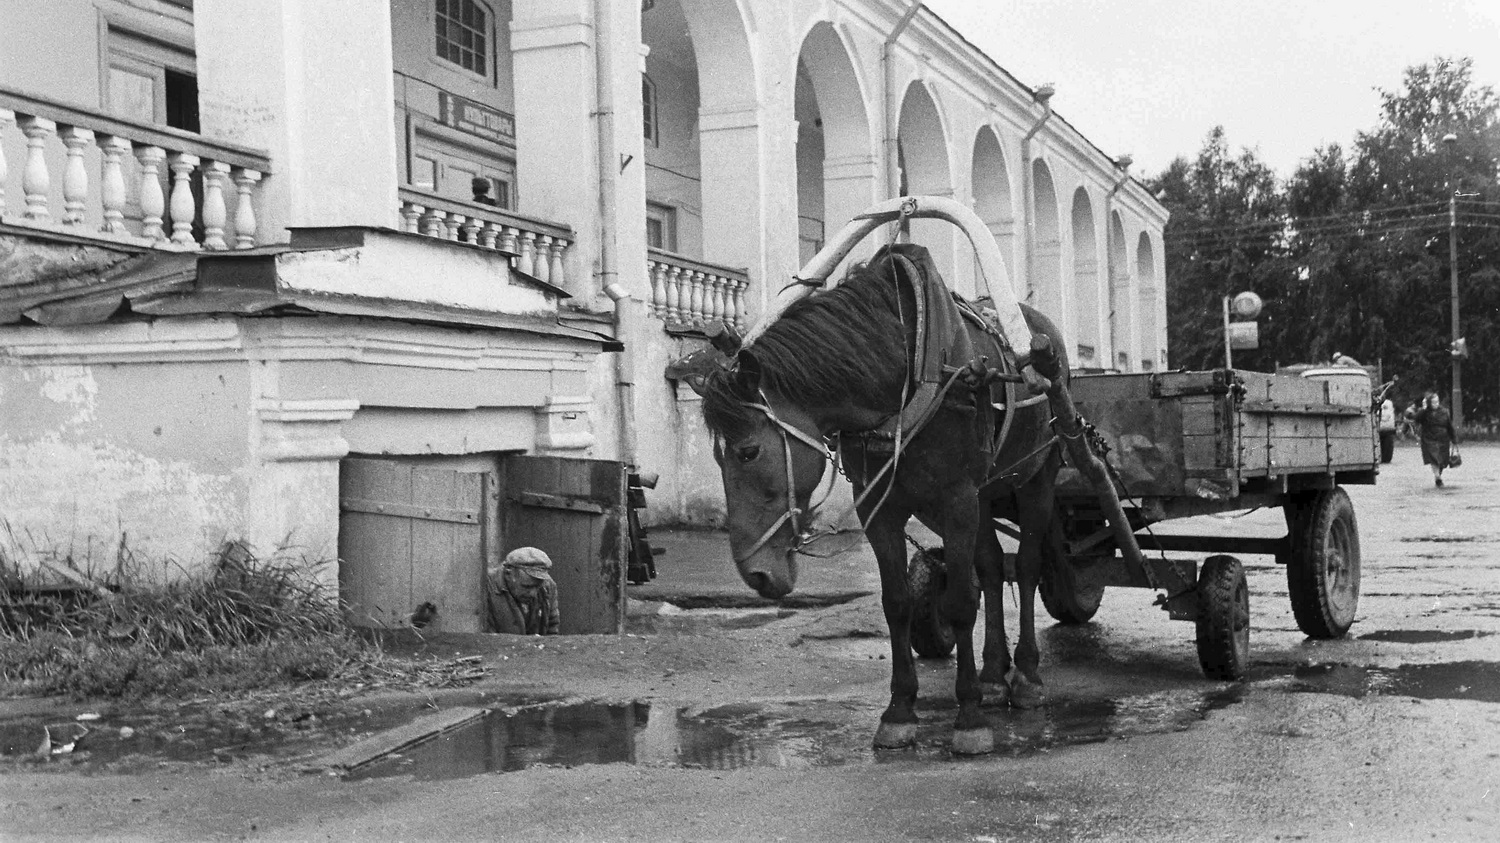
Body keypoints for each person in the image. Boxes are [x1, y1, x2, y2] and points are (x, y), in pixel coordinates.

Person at [485, 547, 560, 634]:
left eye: (537, 587)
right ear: (508, 573)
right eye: (526, 587)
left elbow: (552, 629)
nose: (533, 593)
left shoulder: (548, 586)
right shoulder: (486, 586)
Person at [1407, 392, 1459, 487]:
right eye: (1433, 402)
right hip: (1429, 439)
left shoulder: (1444, 411)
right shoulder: (1424, 412)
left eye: (1437, 402)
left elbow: (1449, 426)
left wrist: (1454, 439)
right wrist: (1423, 408)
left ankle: (1438, 473)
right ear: (1429, 403)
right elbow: (1416, 419)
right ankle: (1437, 477)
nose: (1436, 404)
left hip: (1443, 439)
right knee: (1434, 458)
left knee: (1443, 461)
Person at [1378, 395, 1397, 464]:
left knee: (1387, 444)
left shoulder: (1388, 403)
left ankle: (1385, 458)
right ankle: (1385, 458)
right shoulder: (1389, 403)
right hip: (1387, 427)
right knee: (1387, 444)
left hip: (1387, 427)